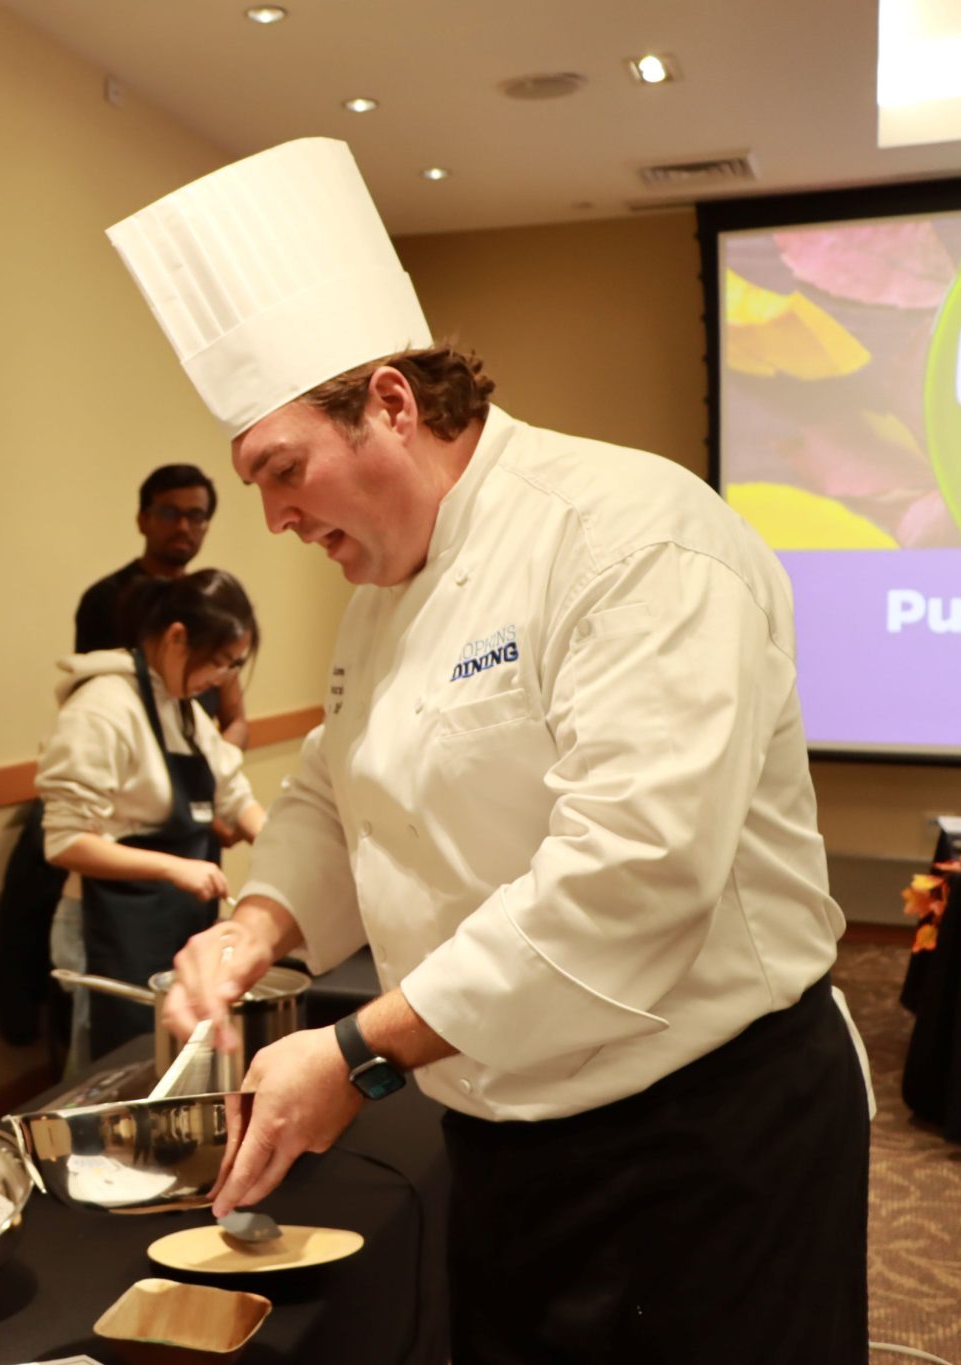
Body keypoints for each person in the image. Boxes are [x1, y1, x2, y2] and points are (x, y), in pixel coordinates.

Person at [108, 138, 871, 1362]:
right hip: (500, 1134)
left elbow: (634, 871)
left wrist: (357, 1050)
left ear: (392, 407)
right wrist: (252, 929)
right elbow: (331, 797)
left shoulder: (629, 538)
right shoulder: (380, 595)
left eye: (282, 470)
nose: (273, 518)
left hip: (699, 1136)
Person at [39, 570, 265, 1068]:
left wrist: (283, 850)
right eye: (220, 662)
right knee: (112, 1075)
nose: (223, 680)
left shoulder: (183, 709)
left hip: (172, 926)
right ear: (178, 637)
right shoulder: (102, 706)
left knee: (167, 1072)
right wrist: (173, 867)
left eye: (233, 667)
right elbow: (64, 841)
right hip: (105, 928)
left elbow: (234, 796)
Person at [74, 465, 250, 748]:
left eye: (195, 516)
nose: (183, 527)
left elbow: (236, 719)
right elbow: (92, 711)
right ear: (143, 520)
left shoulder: (213, 603)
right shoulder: (105, 599)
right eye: (170, 513)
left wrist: (217, 768)